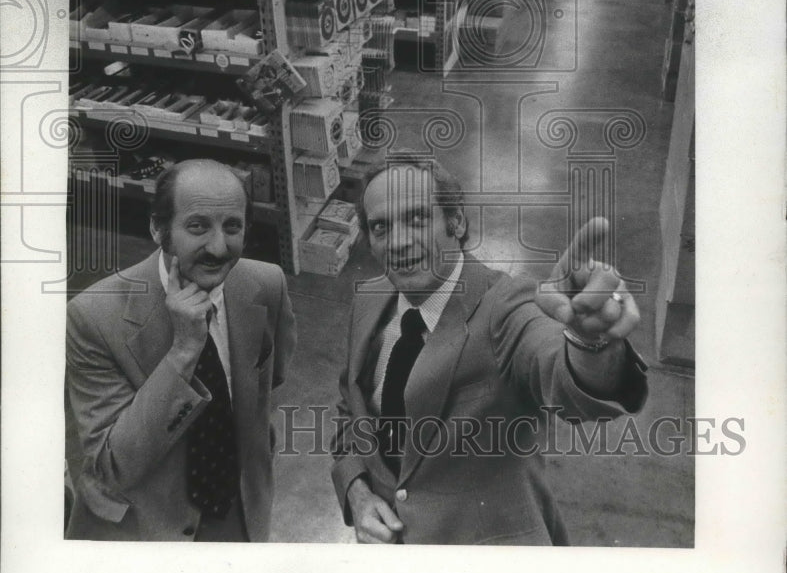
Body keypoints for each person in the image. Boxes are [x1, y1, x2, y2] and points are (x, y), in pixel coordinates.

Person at [331, 152, 648, 545]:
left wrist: (589, 342)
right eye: (381, 227)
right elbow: (350, 408)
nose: (398, 241)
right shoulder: (370, 299)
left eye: (417, 218)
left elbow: (558, 372)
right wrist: (357, 492)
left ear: (456, 221)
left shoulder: (507, 305)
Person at [66, 158, 296, 541]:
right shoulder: (94, 316)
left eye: (232, 227)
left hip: (239, 512)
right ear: (158, 228)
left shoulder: (266, 285)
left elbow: (271, 384)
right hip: (144, 529)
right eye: (198, 226)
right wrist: (183, 352)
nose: (219, 247)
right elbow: (113, 465)